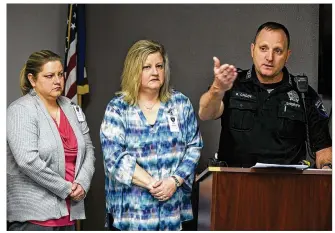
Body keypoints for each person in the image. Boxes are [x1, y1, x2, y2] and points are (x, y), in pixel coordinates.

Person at [100, 40, 203, 231]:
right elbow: (114, 158)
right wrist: (154, 185)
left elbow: (194, 147)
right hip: (132, 214)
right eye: (147, 67)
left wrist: (174, 182)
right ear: (134, 71)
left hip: (173, 210)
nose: (155, 72)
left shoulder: (180, 103)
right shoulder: (118, 108)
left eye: (159, 66)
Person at [199, 21, 332, 169]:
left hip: (289, 186)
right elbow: (205, 113)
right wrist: (217, 88)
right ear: (252, 50)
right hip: (235, 184)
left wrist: (327, 167)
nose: (269, 57)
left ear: (287, 55)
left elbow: (324, 149)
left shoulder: (304, 93)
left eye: (278, 51)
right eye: (263, 48)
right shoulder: (233, 83)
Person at [7, 50, 95, 230]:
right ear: (32, 79)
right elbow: (27, 161)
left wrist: (82, 184)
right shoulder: (21, 110)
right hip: (34, 217)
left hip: (69, 213)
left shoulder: (71, 107)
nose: (57, 80)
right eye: (49, 76)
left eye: (60, 74)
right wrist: (66, 189)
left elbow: (88, 149)